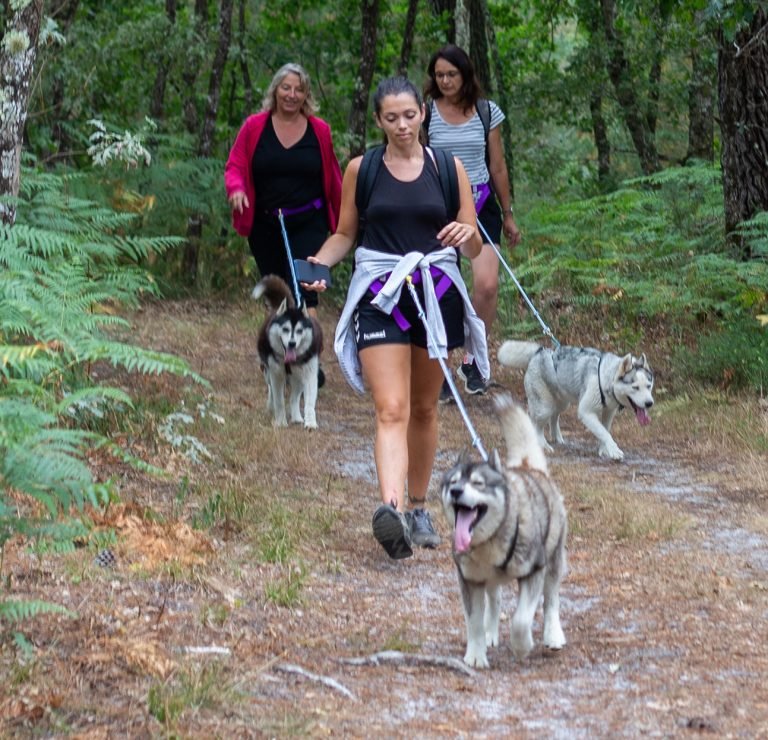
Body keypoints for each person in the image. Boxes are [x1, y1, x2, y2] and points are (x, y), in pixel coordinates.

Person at [303, 77, 487, 560]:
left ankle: (421, 506)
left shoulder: (448, 169)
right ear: (379, 121)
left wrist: (466, 230)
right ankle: (392, 511)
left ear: (422, 114)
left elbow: (473, 246)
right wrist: (319, 264)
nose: (402, 126)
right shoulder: (362, 170)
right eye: (391, 118)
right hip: (381, 295)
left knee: (425, 408)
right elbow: (345, 234)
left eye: (409, 115)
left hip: (436, 293)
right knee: (391, 408)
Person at [224, 63, 342, 385]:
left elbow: (332, 175)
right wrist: (236, 190)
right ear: (275, 90)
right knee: (278, 294)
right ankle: (278, 357)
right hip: (266, 225)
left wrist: (344, 218)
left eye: (299, 89)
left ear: (306, 94)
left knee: (309, 291)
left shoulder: (320, 130)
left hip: (310, 222)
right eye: (286, 88)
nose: (292, 95)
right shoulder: (254, 126)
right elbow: (234, 165)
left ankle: (311, 362)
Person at [423, 45, 522, 398]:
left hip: (481, 204)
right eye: (439, 75)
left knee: (486, 286)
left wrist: (508, 214)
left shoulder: (485, 112)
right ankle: (439, 368)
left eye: (452, 74)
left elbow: (497, 166)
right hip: (439, 206)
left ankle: (472, 360)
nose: (446, 81)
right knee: (442, 290)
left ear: (465, 74)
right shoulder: (424, 114)